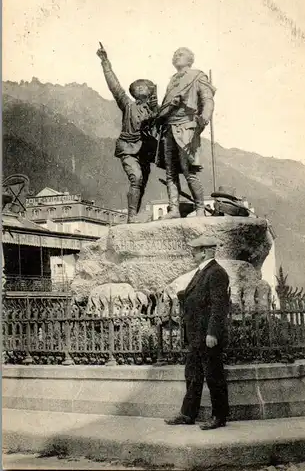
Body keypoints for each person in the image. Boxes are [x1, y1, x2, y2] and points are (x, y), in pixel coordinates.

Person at [165, 235, 230, 430]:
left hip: (207, 336)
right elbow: (198, 296)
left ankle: (219, 417)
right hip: (196, 336)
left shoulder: (216, 272)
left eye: (195, 250)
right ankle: (187, 414)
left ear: (205, 251)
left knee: (213, 376)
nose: (192, 253)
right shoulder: (203, 271)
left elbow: (219, 306)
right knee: (192, 375)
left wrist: (213, 333)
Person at [96, 44, 158, 223]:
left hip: (146, 152)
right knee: (136, 178)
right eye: (137, 87)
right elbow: (114, 87)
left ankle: (134, 217)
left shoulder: (156, 109)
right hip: (128, 148)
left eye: (144, 86)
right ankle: (131, 216)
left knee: (142, 184)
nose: (140, 89)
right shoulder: (128, 105)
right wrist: (105, 62)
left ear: (150, 90)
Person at [155, 47, 215, 218]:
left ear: (190, 59)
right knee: (170, 172)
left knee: (188, 170)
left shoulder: (197, 76)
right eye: (174, 54)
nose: (176, 56)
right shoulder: (172, 80)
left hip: (187, 127)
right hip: (168, 128)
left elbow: (207, 100)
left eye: (180, 54)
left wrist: (203, 119)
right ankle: (173, 209)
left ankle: (200, 209)